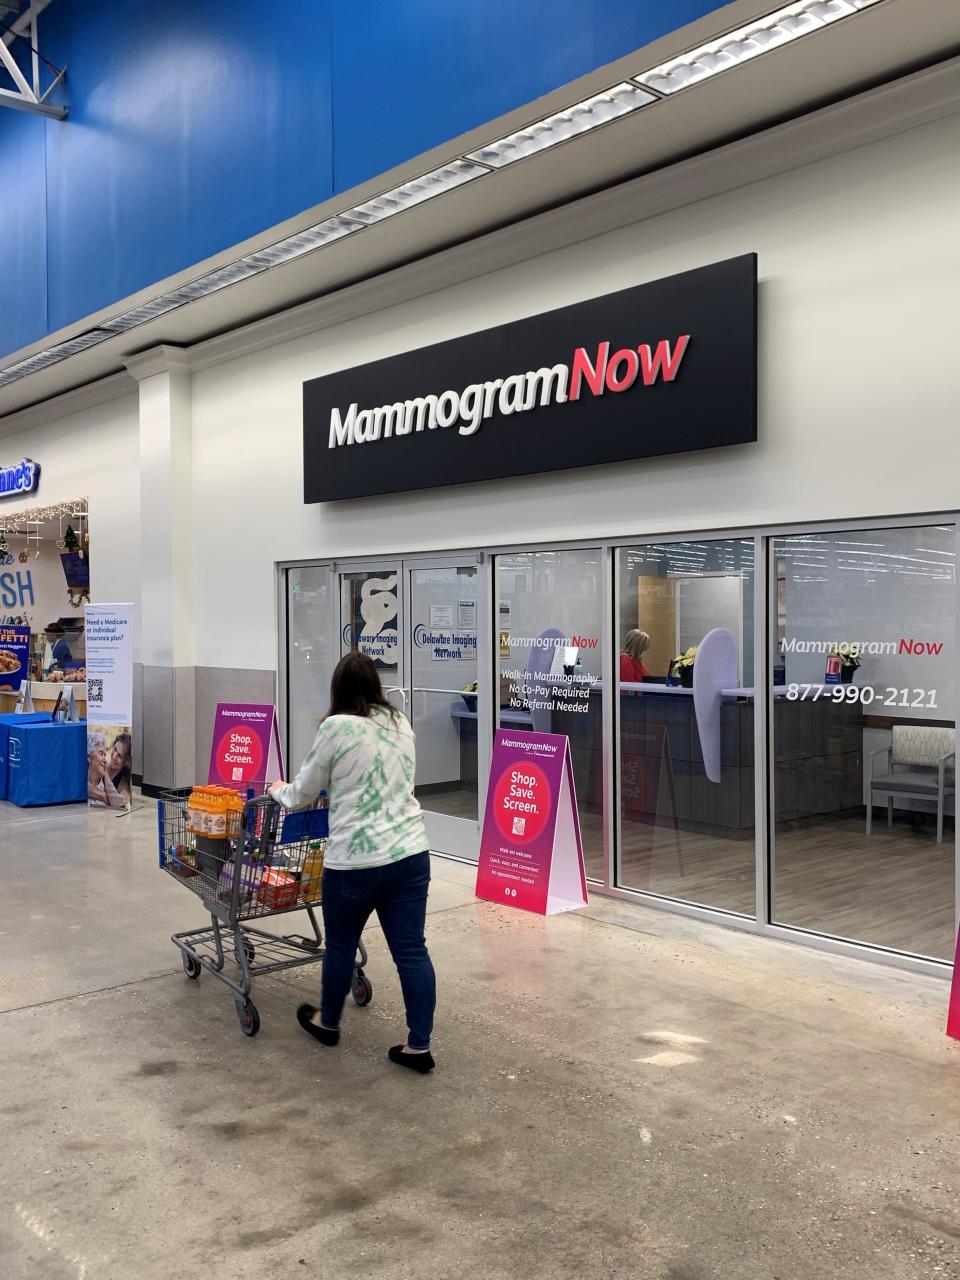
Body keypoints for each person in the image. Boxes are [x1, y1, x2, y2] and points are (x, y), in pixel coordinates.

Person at [269, 652, 436, 1074]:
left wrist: (278, 790)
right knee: (412, 951)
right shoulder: (400, 723)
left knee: (342, 945)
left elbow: (303, 791)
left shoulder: (336, 727)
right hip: (410, 852)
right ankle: (419, 1046)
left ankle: (328, 1022)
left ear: (338, 690)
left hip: (357, 860)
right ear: (376, 686)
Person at [102, 732, 132, 809]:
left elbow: (119, 803)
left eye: (120, 756)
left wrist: (105, 775)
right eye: (115, 749)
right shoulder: (101, 764)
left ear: (126, 761)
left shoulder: (124, 780)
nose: (114, 756)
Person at [86, 733, 107, 803]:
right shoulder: (78, 785)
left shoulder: (107, 786)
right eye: (101, 753)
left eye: (105, 755)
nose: (105, 760)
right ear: (89, 757)